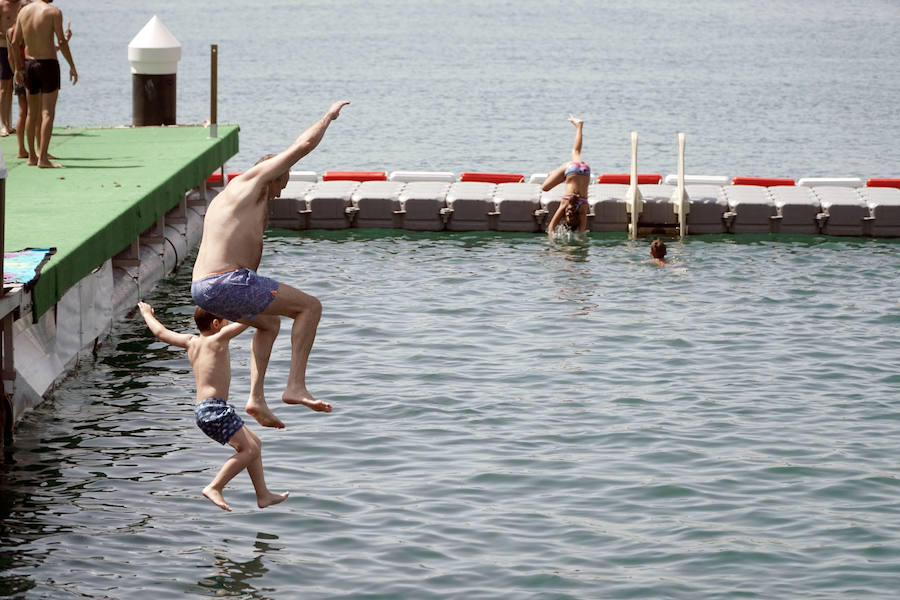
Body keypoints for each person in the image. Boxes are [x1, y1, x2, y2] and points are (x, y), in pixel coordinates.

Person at [191, 100, 349, 429]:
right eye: (281, 186)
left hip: (206, 288)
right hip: (225, 281)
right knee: (310, 308)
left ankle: (256, 399)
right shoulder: (251, 183)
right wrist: (328, 117)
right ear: (274, 176)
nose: (279, 194)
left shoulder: (244, 202)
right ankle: (295, 386)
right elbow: (302, 145)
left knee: (270, 323)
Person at [137, 301, 290, 512]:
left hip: (205, 409)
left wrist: (147, 314)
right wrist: (261, 300)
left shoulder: (191, 341)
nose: (228, 321)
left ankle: (263, 494)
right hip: (215, 410)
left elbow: (161, 332)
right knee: (249, 448)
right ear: (217, 323)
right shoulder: (219, 338)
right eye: (225, 318)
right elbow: (248, 319)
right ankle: (215, 486)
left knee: (255, 444)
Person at [10, 0, 76, 168]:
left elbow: (14, 42)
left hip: (30, 64)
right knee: (47, 113)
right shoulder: (53, 12)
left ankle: (32, 156)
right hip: (48, 65)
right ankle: (43, 158)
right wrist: (72, 66)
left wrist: (18, 69)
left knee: (32, 114)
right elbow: (61, 42)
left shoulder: (23, 12)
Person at [543, 116, 591, 238]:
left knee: (576, 152)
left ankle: (556, 174)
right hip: (572, 169)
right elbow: (551, 229)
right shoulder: (565, 205)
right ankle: (579, 125)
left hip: (584, 170)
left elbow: (581, 233)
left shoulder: (583, 209)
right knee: (545, 187)